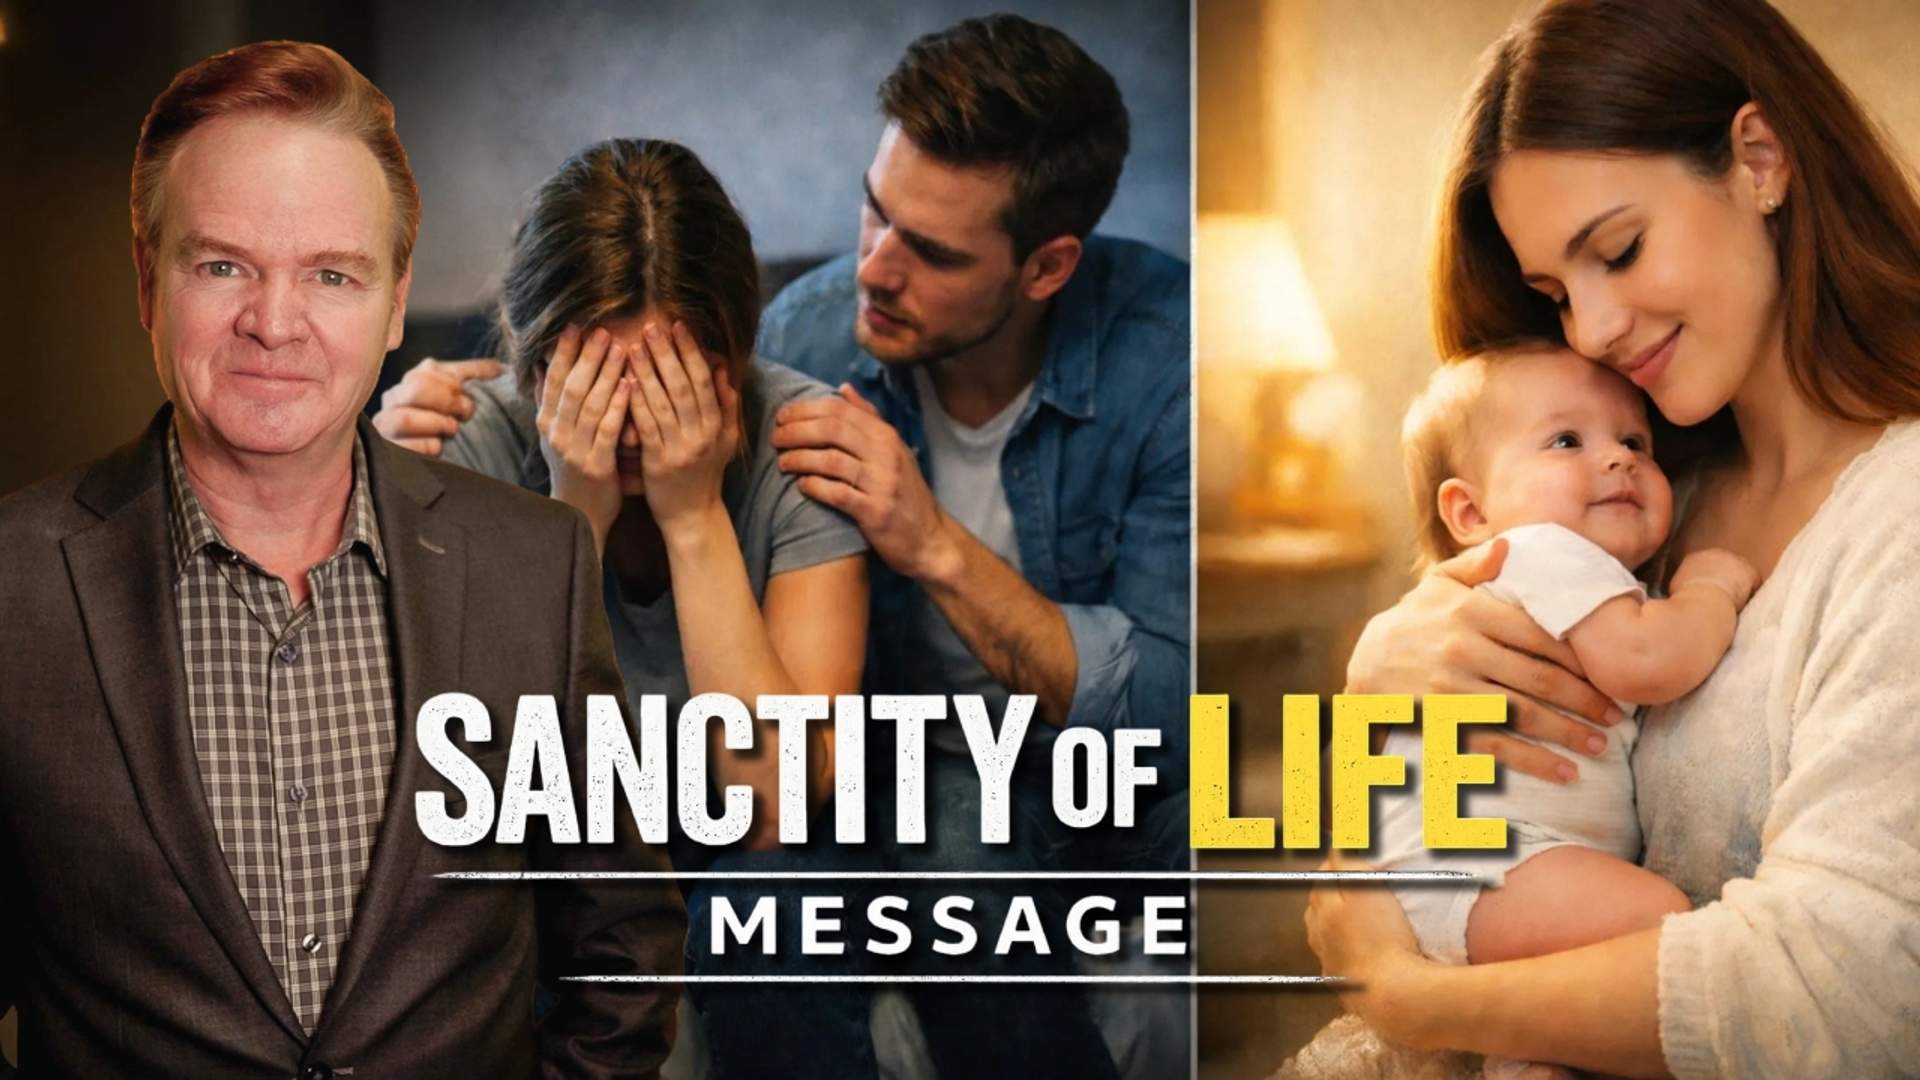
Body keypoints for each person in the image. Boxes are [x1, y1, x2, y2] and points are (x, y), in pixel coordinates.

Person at [373, 16, 1191, 1079]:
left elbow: (777, 796)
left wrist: (705, 513)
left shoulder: (1149, 365)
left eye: (932, 250)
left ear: (1046, 266)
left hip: (970, 784)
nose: (875, 272)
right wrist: (546, 498)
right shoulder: (796, 335)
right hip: (772, 799)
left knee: (878, 883)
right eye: (873, 212)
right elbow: (481, 786)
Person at [0, 42, 682, 1077]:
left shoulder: (534, 563)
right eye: (221, 264)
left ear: (396, 299)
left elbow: (623, 944)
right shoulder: (14, 587)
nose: (275, 324)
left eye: (332, 274)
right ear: (148, 280)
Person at [1301, 1, 1920, 1076]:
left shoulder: (1894, 515)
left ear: (1760, 159)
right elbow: (1377, 856)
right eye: (1554, 291)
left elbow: (1854, 987)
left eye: (1620, 250)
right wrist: (1378, 682)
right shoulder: (1631, 497)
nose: (1591, 331)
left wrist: (1415, 996)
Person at [1375, 346, 1757, 1080]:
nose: (1617, 459)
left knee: (1578, 1008)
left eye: (1635, 442)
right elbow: (1648, 663)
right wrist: (1711, 588)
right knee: (1664, 933)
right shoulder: (1539, 553)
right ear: (1472, 511)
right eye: (1566, 441)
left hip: (1476, 866)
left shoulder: (1579, 578)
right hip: (1484, 858)